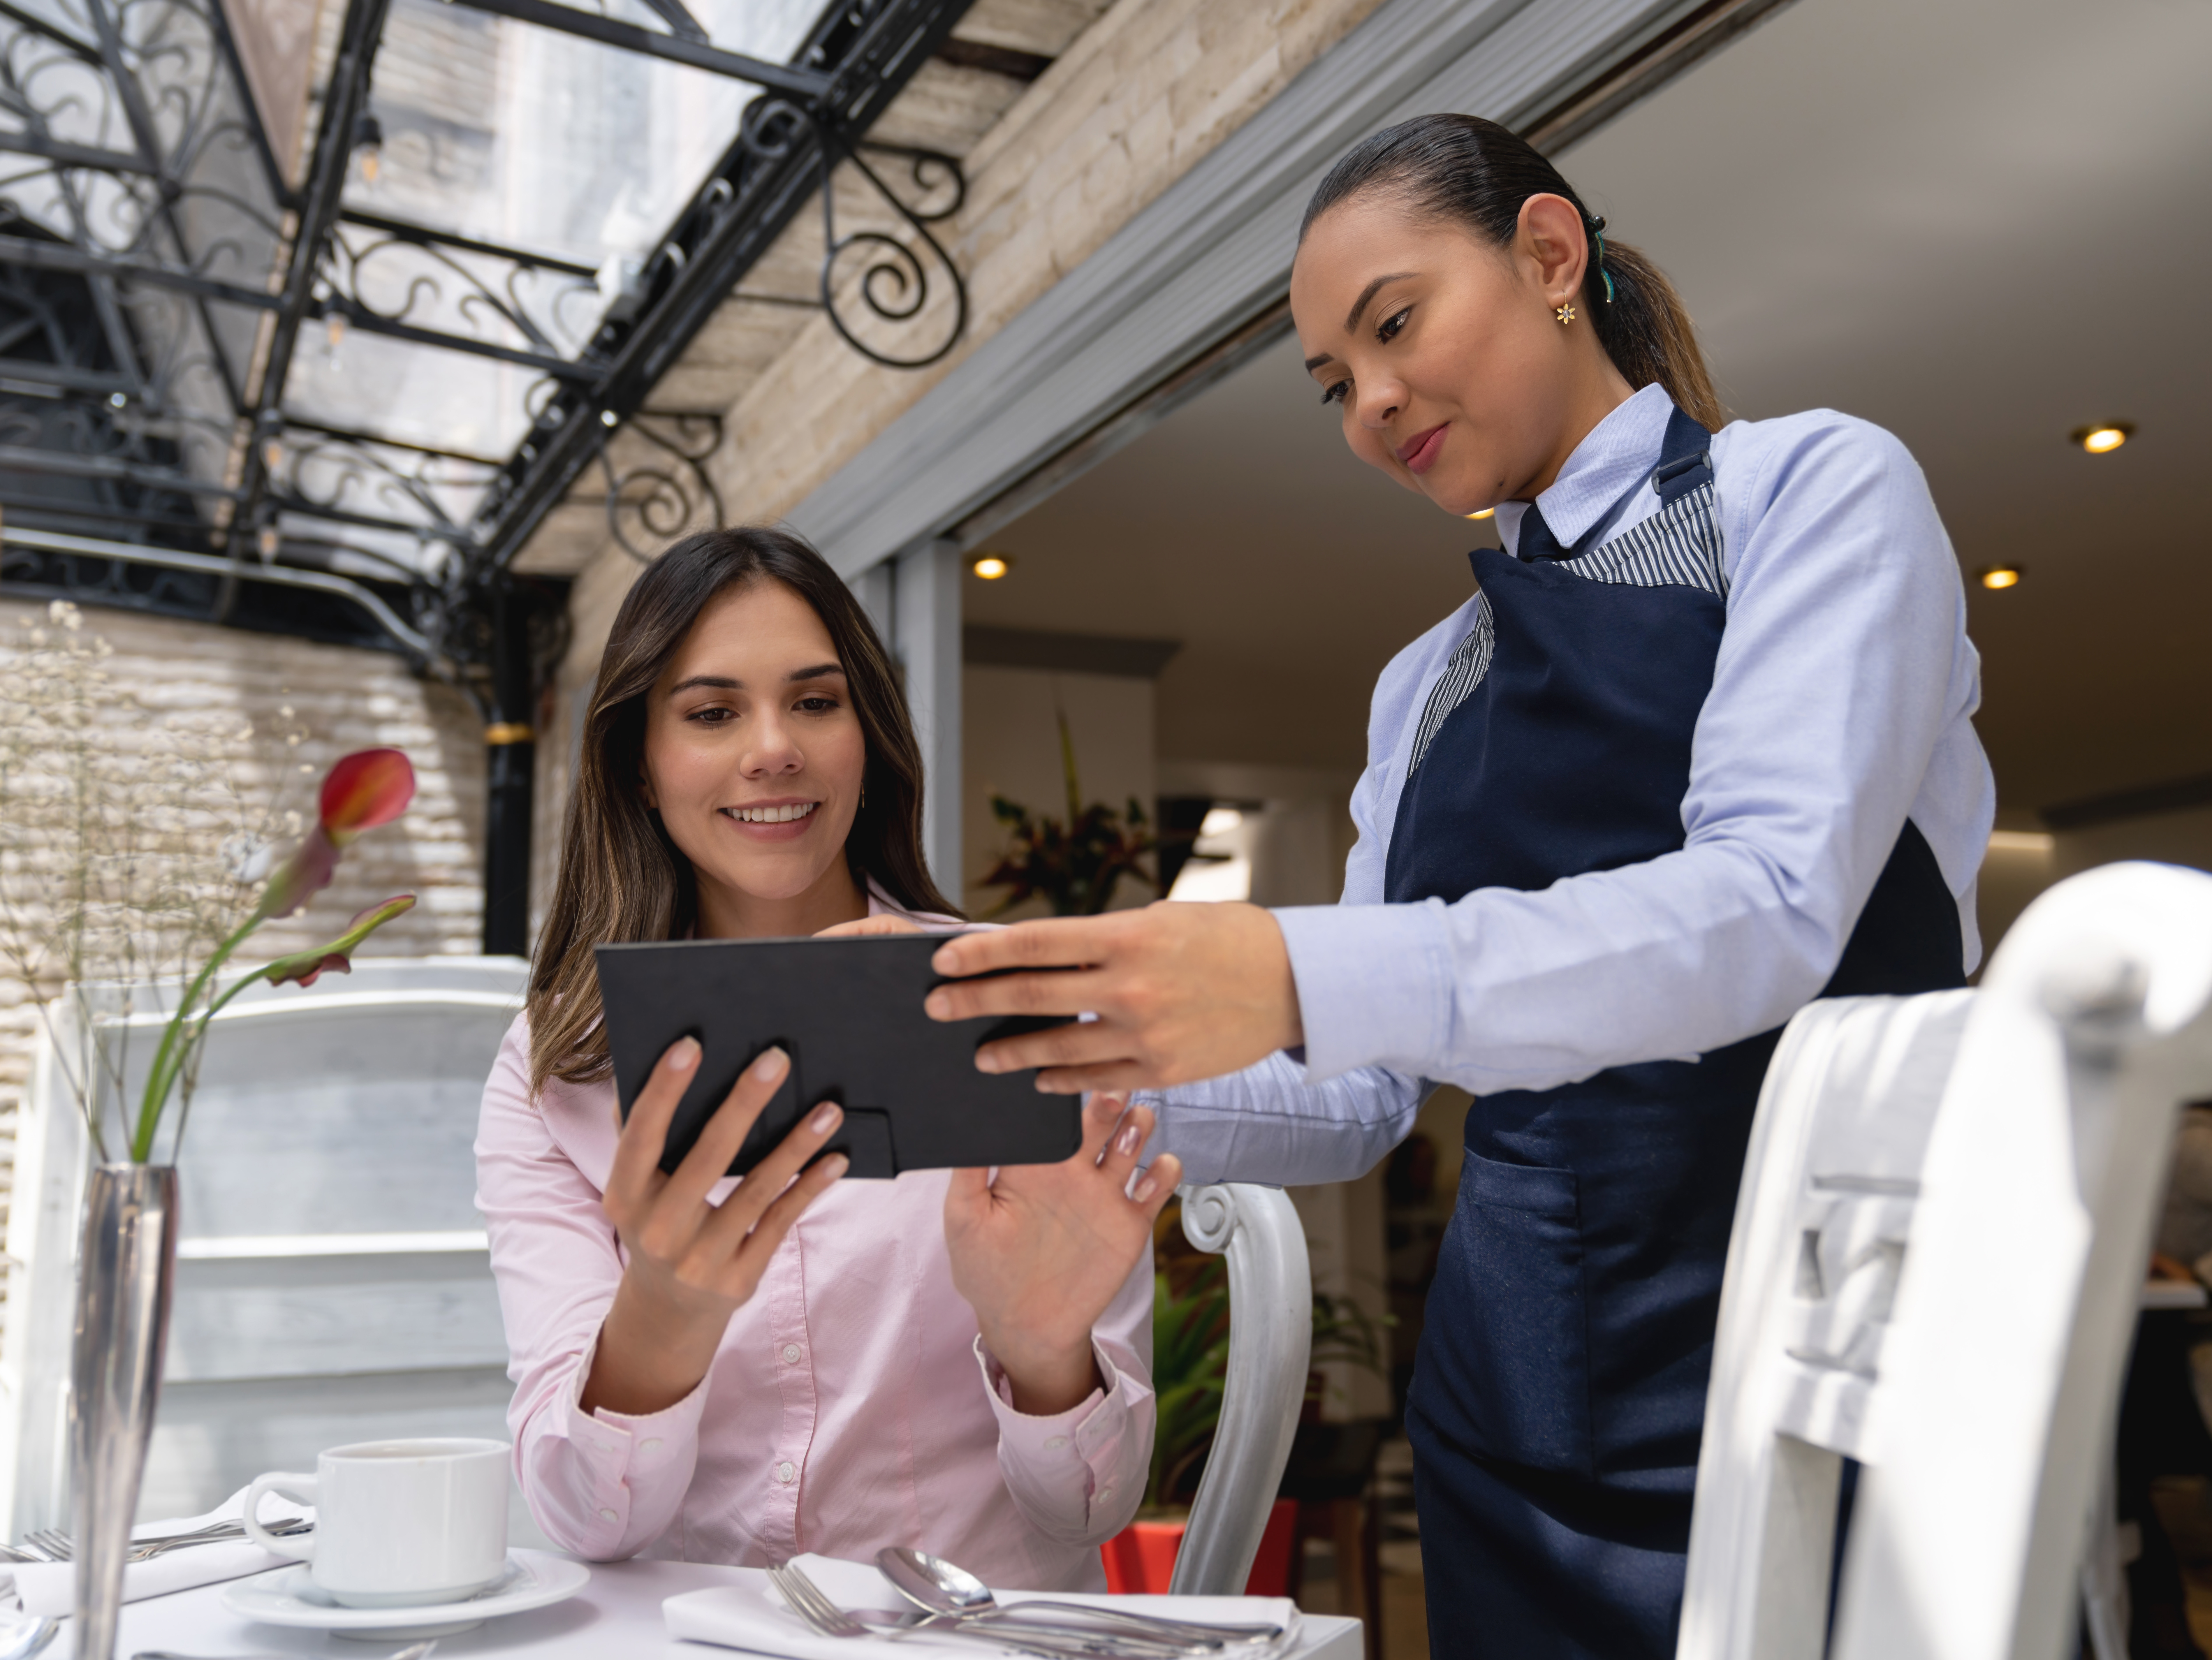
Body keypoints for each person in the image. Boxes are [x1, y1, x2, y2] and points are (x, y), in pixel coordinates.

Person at [918, 114, 1994, 1654]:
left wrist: (1287, 969)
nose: (1367, 402)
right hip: (1506, 1416)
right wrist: (1022, 1055)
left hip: (1824, 1380)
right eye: (1330, 384)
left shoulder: (1809, 495)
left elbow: (1767, 905)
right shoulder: (1422, 683)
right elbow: (1365, 1093)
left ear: (1551, 257)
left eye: (1393, 325)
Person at [474, 527, 1179, 1589]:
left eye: (815, 701)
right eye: (713, 713)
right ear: (638, 761)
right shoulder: (556, 1072)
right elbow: (588, 1525)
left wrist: (1043, 1354)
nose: (775, 749)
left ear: (868, 736)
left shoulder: (1018, 1011)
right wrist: (663, 1318)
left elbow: (1090, 1508)